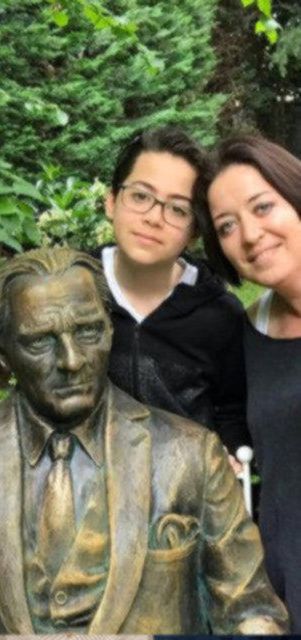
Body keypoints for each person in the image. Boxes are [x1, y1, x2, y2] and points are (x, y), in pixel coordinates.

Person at [0, 247, 287, 635]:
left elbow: (251, 611)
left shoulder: (190, 454)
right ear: (3, 353)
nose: (71, 361)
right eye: (40, 341)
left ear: (110, 329)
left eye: (88, 331)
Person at [193, 134, 301, 632]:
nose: (251, 235)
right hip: (283, 590)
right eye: (227, 226)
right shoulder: (249, 331)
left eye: (263, 207)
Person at [95, 127, 250, 456]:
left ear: (194, 232)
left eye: (178, 209)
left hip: (185, 483)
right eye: (140, 196)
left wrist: (231, 452)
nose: (154, 218)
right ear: (111, 201)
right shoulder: (73, 289)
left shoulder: (220, 317)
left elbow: (231, 412)